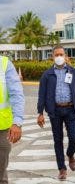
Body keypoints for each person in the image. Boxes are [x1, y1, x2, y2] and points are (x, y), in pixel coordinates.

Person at [37, 45, 75, 180]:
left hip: (71, 109)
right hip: (55, 110)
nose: (59, 57)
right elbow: (42, 94)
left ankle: (70, 154)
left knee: (74, 137)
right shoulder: (47, 74)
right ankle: (62, 168)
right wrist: (40, 112)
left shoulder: (74, 72)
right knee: (57, 140)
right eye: (56, 55)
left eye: (61, 54)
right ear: (52, 57)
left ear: (65, 56)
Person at [0, 55, 25, 184]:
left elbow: (16, 94)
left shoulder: (4, 64)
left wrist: (17, 122)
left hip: (2, 129)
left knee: (0, 171)